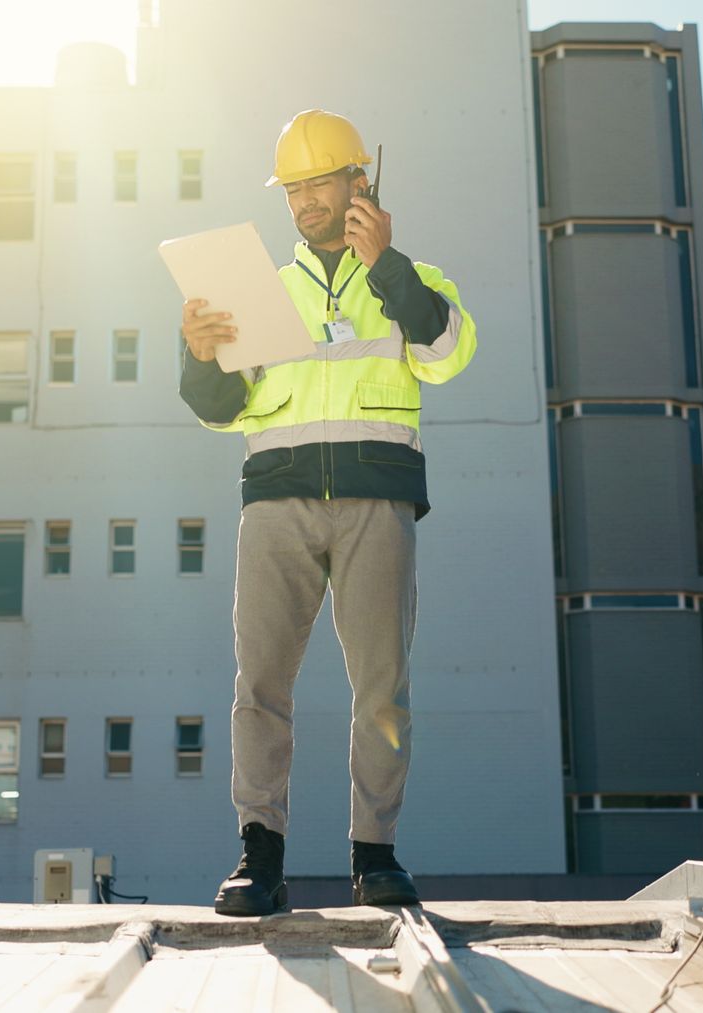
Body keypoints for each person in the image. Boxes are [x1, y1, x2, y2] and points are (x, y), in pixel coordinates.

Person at [177, 109, 476, 916]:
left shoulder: (416, 280)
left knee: (381, 687)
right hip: (276, 500)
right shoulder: (260, 292)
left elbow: (447, 355)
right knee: (261, 683)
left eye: (320, 181)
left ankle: (375, 856)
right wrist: (199, 355)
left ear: (360, 182)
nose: (306, 199)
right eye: (295, 186)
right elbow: (219, 410)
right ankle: (259, 857)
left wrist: (392, 271)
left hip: (377, 498)